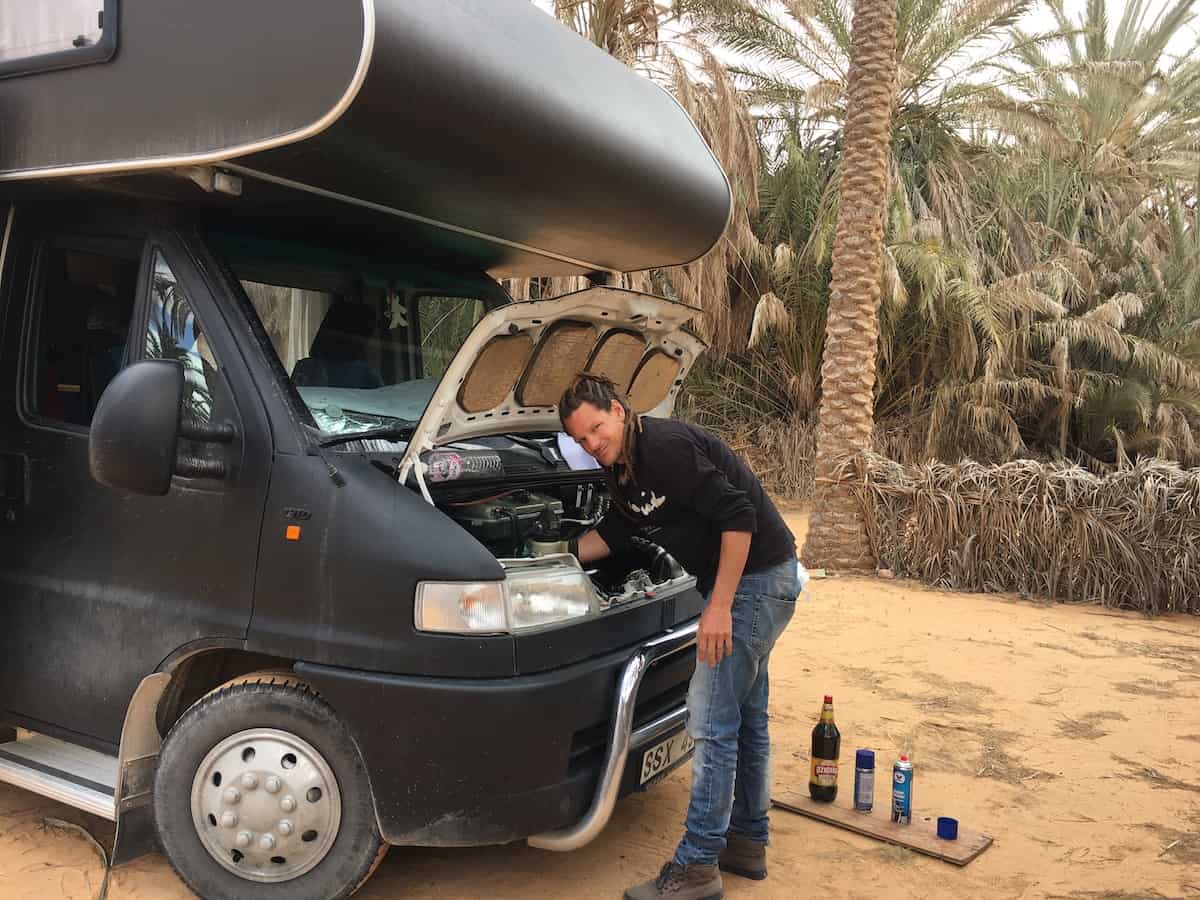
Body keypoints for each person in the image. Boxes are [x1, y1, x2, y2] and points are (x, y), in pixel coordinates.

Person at [558, 373, 799, 900]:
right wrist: (555, 556)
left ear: (619, 410)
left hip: (755, 582)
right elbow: (618, 533)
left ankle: (696, 868)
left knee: (710, 722)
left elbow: (739, 515)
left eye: (597, 428)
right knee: (746, 718)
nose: (593, 444)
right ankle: (746, 843)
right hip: (753, 583)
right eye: (581, 440)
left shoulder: (662, 448)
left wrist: (718, 608)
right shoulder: (622, 472)